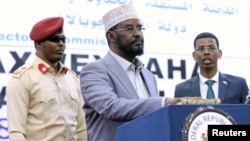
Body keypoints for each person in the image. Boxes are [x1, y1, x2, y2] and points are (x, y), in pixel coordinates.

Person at [79, 4, 187, 141]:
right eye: (129, 29)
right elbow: (111, 107)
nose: (137, 34)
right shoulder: (95, 70)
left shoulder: (148, 76)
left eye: (139, 28)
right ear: (111, 36)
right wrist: (163, 103)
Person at [6, 17, 88, 141]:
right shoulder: (23, 79)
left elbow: (81, 129)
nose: (61, 44)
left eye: (63, 39)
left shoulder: (72, 78)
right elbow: (16, 132)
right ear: (39, 43)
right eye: (54, 39)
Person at [174, 32, 249, 103]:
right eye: (201, 49)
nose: (206, 52)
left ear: (220, 53)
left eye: (211, 48)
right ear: (194, 56)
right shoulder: (181, 89)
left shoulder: (238, 85)